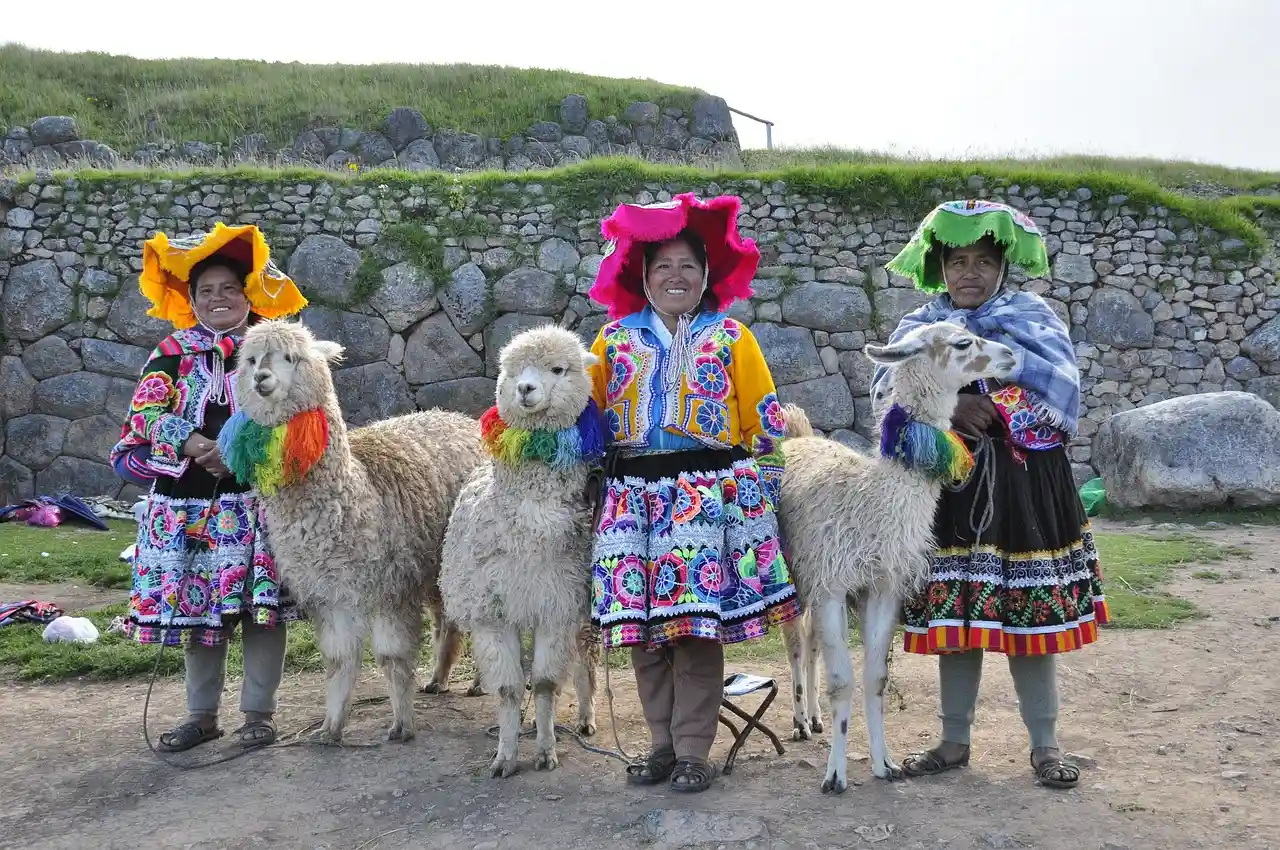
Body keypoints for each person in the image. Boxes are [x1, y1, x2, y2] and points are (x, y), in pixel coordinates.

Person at [872, 199, 1109, 789]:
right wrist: (953, 409)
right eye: (957, 261)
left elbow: (1061, 390)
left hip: (1024, 487)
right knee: (959, 616)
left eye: (982, 260)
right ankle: (953, 740)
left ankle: (1045, 744)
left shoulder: (1032, 317)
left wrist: (992, 403)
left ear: (1002, 266)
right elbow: (892, 395)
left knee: (1027, 616)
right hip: (950, 491)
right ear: (940, 268)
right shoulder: (920, 329)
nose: (969, 272)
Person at [586, 193, 802, 793]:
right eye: (663, 266)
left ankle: (691, 751)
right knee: (643, 627)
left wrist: (757, 490)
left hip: (705, 499)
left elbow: (765, 421)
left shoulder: (731, 337)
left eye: (688, 265)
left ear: (706, 276)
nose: (675, 275)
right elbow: (587, 419)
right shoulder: (612, 342)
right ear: (644, 278)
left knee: (692, 629)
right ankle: (658, 744)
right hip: (633, 495)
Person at [110, 222, 309, 751]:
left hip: (257, 501)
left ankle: (258, 716)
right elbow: (145, 413)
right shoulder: (173, 351)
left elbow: (304, 416)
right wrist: (195, 442)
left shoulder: (276, 346)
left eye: (228, 288)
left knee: (259, 610)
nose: (217, 299)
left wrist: (239, 452)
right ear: (192, 300)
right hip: (187, 507)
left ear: (247, 293)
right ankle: (201, 716)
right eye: (206, 291)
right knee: (197, 609)